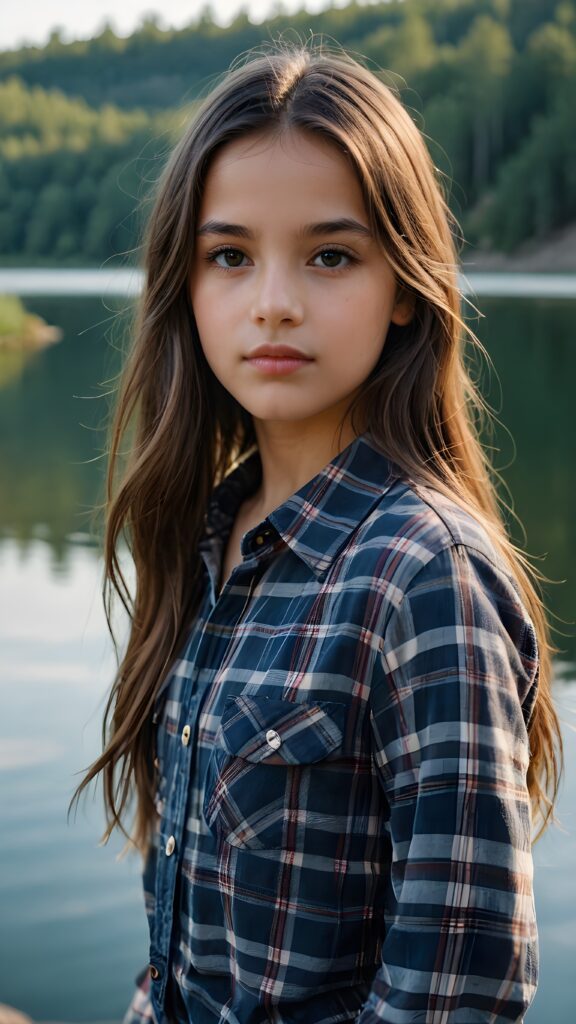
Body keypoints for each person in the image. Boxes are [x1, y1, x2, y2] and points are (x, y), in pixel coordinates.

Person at [71, 39, 563, 1024]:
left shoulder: (426, 577)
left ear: (405, 291)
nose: (275, 303)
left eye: (331, 254)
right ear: (187, 284)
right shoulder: (209, 538)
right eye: (230, 256)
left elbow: (455, 994)